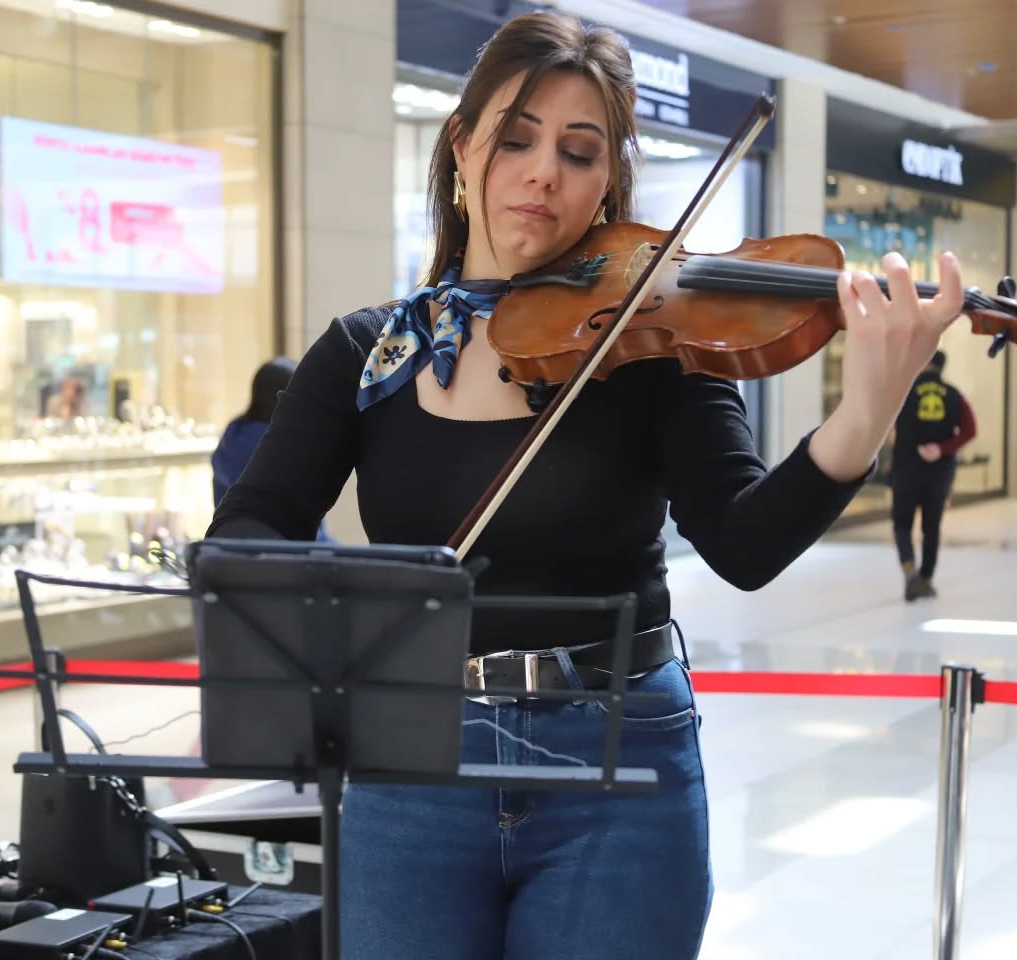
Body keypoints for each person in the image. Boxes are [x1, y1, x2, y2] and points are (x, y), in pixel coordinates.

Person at [207, 11, 964, 957]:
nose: (543, 174)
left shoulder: (652, 343)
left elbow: (744, 544)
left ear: (608, 181)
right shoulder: (368, 355)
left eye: (578, 152)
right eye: (516, 139)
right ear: (461, 147)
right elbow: (252, 526)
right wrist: (340, 613)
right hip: (412, 761)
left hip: (617, 757)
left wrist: (869, 409)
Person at [888, 350, 976, 601]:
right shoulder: (955, 395)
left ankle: (910, 572)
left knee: (902, 525)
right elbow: (970, 430)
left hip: (905, 469)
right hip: (939, 473)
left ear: (925, 363)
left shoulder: (903, 392)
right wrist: (942, 448)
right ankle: (926, 580)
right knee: (931, 527)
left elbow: (884, 423)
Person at [212, 357, 331, 542]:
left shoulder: (233, 435)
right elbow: (301, 526)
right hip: (277, 552)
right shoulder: (280, 447)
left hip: (232, 548)